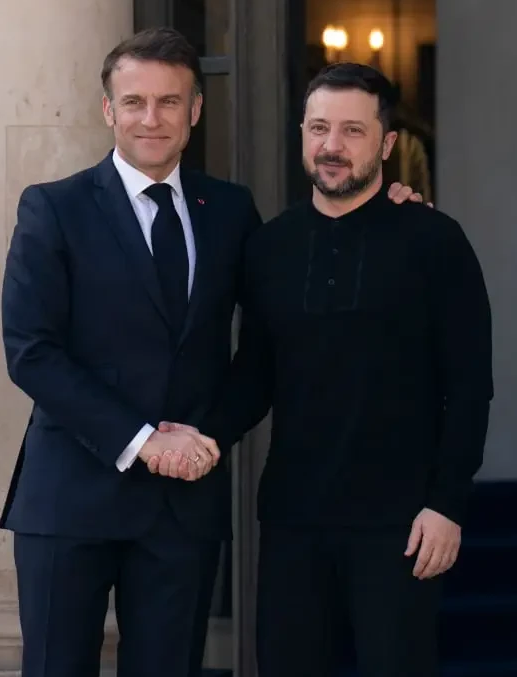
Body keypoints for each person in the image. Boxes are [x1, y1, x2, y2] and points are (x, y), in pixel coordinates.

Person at [0, 29, 426, 677]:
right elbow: (32, 352)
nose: (152, 118)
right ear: (109, 110)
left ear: (195, 109)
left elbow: (273, 335)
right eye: (134, 102)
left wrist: (386, 213)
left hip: (183, 509)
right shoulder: (54, 208)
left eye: (169, 101)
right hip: (70, 498)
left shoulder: (228, 210)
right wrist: (143, 441)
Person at [153, 61, 492, 676]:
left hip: (401, 525)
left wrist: (447, 504)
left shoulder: (436, 242)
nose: (332, 146)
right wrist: (201, 435)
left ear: (387, 143)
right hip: (293, 519)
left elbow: (469, 387)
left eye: (352, 131)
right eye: (318, 128)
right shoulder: (270, 246)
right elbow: (256, 373)